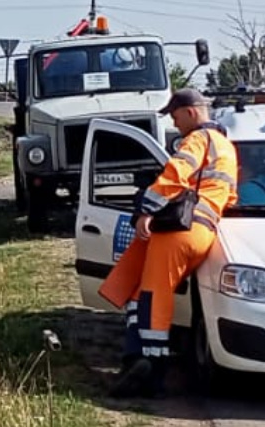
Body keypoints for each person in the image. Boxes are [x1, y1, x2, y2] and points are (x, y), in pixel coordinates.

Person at [97, 87, 239, 398]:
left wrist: (144, 211)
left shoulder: (198, 140)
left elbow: (174, 175)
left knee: (152, 297)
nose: (175, 125)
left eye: (176, 117)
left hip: (177, 232)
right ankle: (135, 359)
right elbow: (229, 197)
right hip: (205, 234)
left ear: (191, 112)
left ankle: (151, 369)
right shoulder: (227, 148)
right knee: (137, 296)